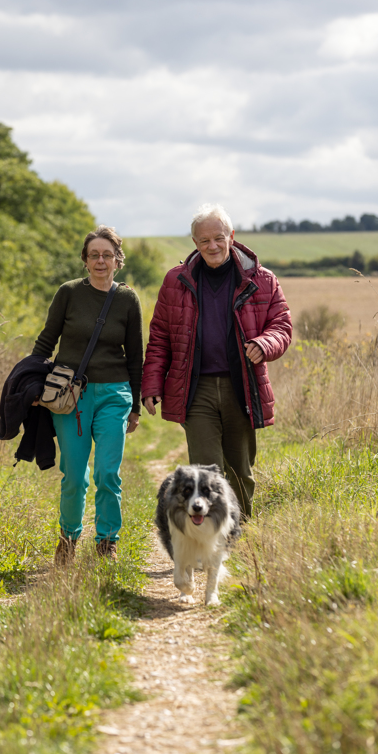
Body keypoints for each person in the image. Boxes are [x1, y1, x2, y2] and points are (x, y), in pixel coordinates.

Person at [141, 204, 292, 518]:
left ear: (232, 237)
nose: (212, 246)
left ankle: (239, 532)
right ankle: (211, 541)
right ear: (195, 242)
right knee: (206, 472)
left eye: (218, 238)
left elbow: (282, 325)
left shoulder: (262, 280)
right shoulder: (175, 281)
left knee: (240, 471)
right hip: (196, 390)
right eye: (204, 240)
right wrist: (152, 385)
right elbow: (160, 338)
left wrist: (264, 344)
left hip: (242, 386)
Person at [32, 225, 143, 563]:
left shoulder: (127, 299)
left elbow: (136, 355)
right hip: (70, 397)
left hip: (114, 394)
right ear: (84, 260)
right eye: (94, 255)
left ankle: (107, 541)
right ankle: (68, 539)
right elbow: (46, 341)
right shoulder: (68, 293)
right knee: (75, 476)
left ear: (117, 260)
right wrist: (31, 383)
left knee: (107, 473)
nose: (100, 260)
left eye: (107, 255)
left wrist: (135, 406)